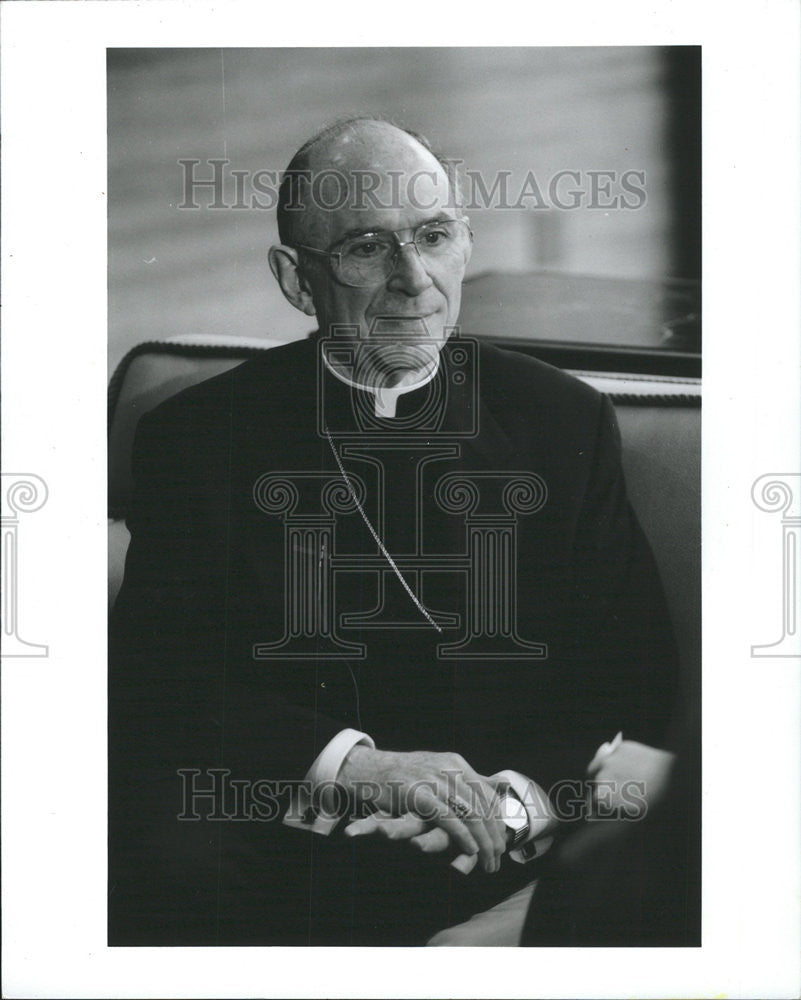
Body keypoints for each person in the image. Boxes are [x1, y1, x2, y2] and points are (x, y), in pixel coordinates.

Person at [109, 117, 680, 946]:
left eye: (434, 237)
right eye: (367, 248)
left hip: (486, 831)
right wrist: (360, 767)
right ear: (295, 278)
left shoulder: (558, 420)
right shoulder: (200, 434)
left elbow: (628, 677)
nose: (414, 280)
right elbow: (160, 680)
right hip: (275, 816)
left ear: (464, 243)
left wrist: (515, 802)